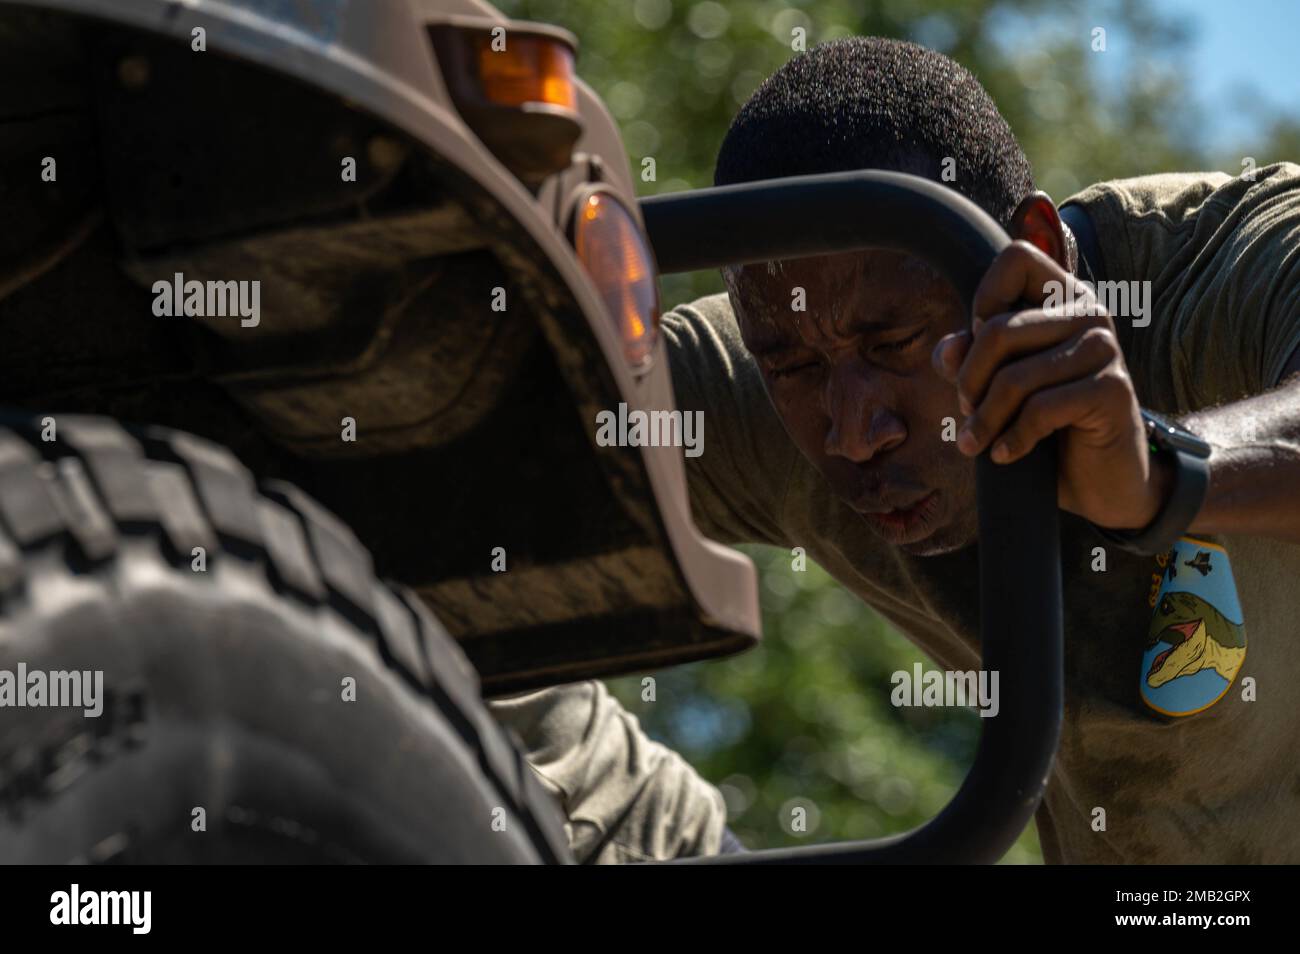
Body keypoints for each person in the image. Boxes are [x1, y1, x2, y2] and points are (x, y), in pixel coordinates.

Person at [490, 36, 1300, 864]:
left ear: (1039, 249)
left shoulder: (1223, 266)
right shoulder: (748, 388)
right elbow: (465, 446)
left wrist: (1156, 474)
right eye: (794, 367)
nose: (853, 430)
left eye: (896, 345)